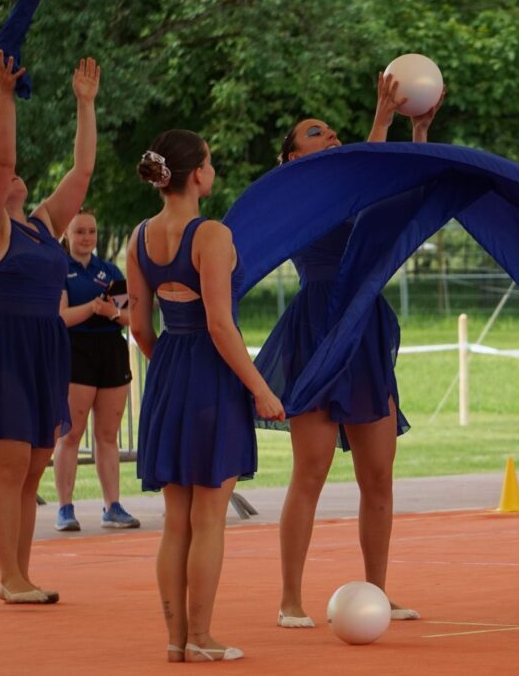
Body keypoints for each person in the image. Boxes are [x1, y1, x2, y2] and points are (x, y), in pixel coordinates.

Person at [262, 72, 444, 628]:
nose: (331, 136)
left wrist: (417, 135)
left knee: (379, 476)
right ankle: (290, 597)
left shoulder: (357, 179)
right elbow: (356, 184)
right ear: (292, 158)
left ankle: (378, 590)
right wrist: (382, 123)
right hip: (316, 328)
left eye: (334, 131)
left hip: (363, 329)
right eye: (316, 133)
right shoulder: (295, 195)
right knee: (310, 471)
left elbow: (403, 194)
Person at [0, 49, 99, 604]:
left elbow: (82, 172)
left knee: (32, 468)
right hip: (5, 346)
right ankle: (8, 576)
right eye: (1, 177)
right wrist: (5, 96)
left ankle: (21, 576)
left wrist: (85, 105)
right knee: (6, 467)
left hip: (45, 347)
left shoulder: (41, 224)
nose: (14, 175)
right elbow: (0, 164)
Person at [127, 130, 284, 662]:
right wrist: (260, 388)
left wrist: (171, 370)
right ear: (196, 173)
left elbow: (142, 330)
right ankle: (201, 636)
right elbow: (220, 325)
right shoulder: (211, 234)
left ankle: (176, 641)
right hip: (211, 375)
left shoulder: (139, 237)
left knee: (176, 520)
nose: (213, 170)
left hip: (168, 371)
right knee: (209, 518)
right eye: (210, 162)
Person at [53, 210, 139, 531]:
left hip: (110, 351)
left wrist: (112, 313)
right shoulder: (61, 270)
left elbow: (131, 316)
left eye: (91, 231)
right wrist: (92, 308)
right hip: (76, 352)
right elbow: (60, 316)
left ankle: (112, 506)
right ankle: (64, 508)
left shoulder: (109, 271)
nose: (87, 237)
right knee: (71, 433)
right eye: (80, 232)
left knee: (107, 435)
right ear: (67, 235)